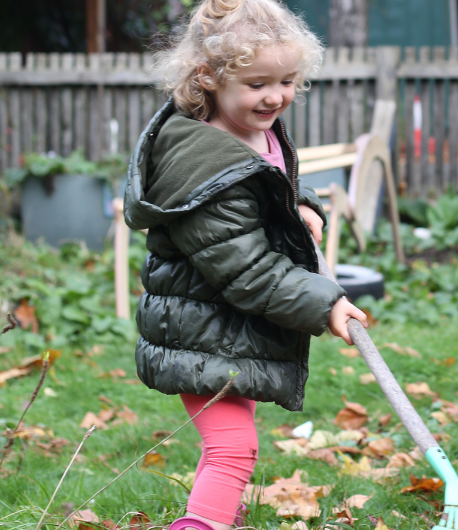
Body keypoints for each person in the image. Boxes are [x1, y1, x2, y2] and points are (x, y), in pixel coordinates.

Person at [123, 1, 368, 529]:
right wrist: (324, 303)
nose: (276, 96)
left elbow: (272, 188)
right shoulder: (204, 168)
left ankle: (218, 517)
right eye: (259, 83)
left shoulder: (252, 128)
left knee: (235, 441)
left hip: (231, 328)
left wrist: (302, 206)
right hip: (200, 330)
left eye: (287, 80)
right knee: (235, 447)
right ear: (207, 77)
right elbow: (247, 270)